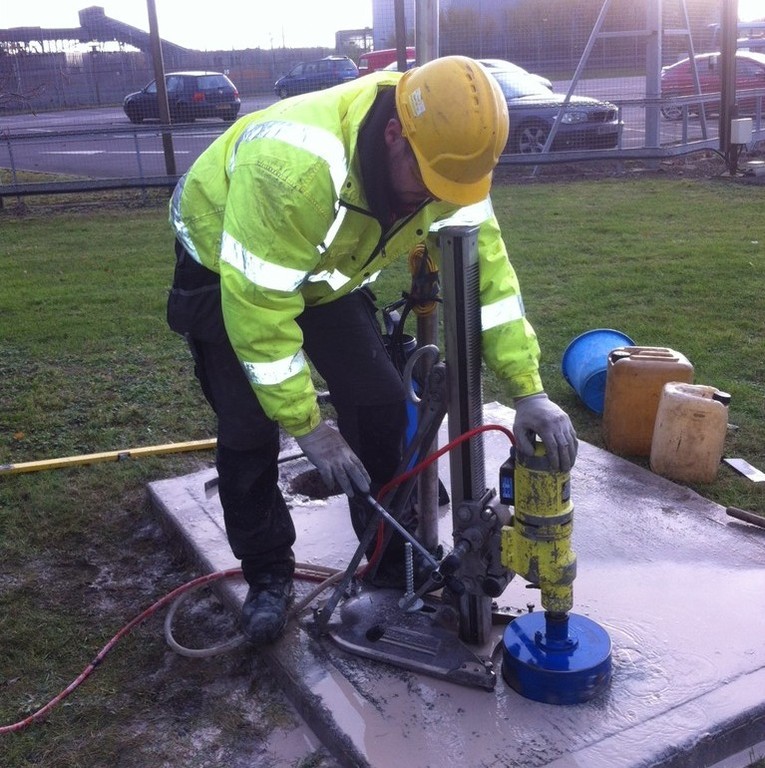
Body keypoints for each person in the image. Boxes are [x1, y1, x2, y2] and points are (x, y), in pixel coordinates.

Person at [166, 55, 578, 647]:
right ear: (393, 136)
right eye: (429, 186)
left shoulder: (448, 163)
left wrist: (528, 389)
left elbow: (490, 279)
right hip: (226, 260)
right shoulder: (293, 170)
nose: (436, 201)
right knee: (249, 425)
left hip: (325, 271)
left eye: (448, 191)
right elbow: (259, 309)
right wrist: (308, 426)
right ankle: (268, 576)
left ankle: (392, 562)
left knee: (382, 403)